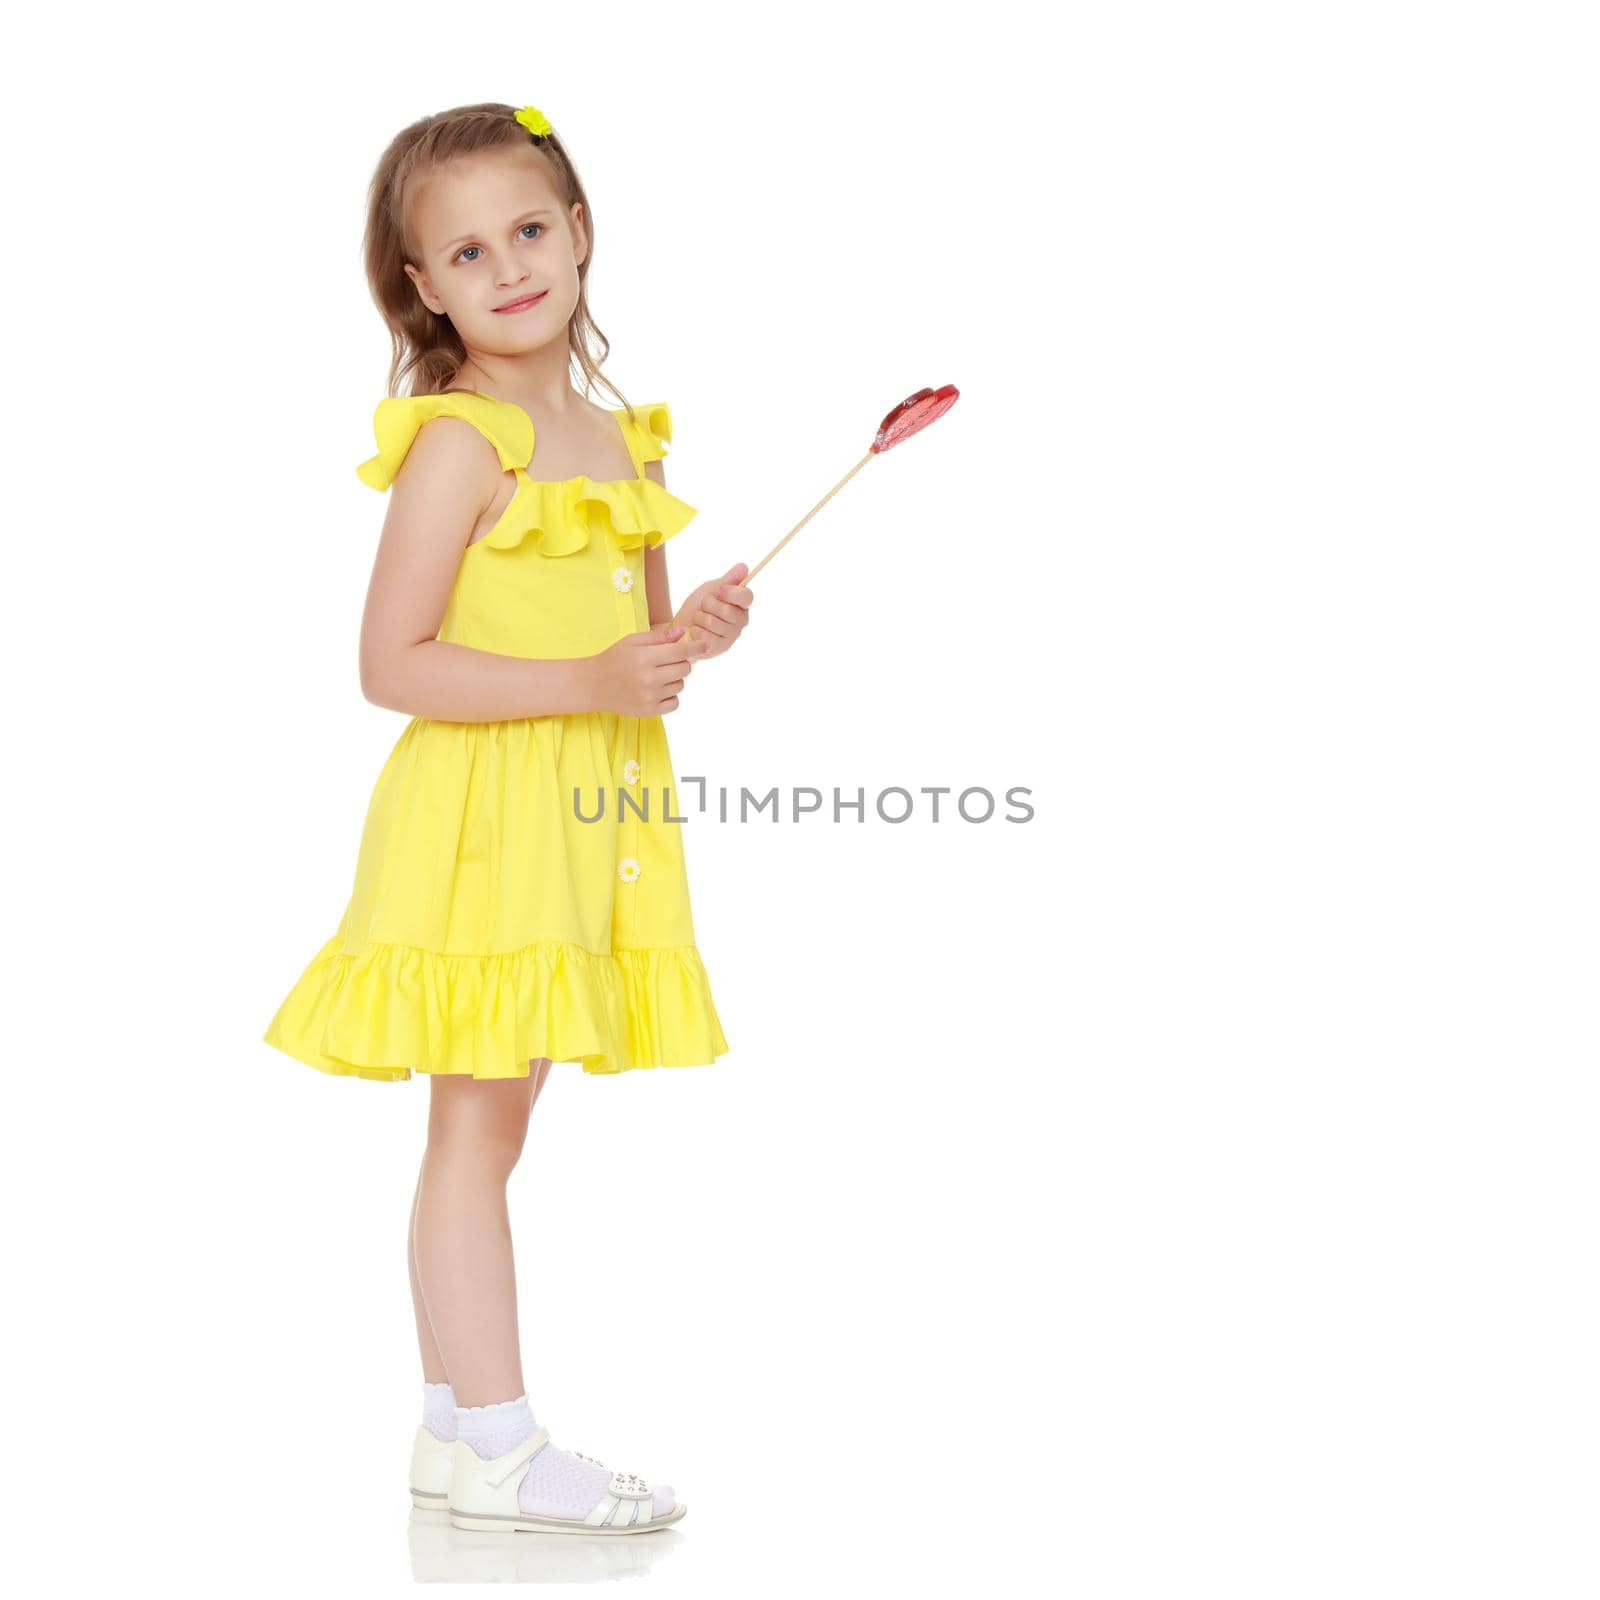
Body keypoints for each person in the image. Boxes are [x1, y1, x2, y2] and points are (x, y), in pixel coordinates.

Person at [261, 101, 753, 1535]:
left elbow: (634, 664)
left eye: (529, 229)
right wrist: (594, 671)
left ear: (581, 232)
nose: (510, 266)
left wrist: (693, 633)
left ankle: (444, 1428)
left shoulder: (623, 441)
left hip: (581, 813)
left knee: (494, 1128)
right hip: (481, 817)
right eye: (467, 250)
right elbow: (389, 664)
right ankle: (498, 1442)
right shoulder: (459, 447)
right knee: (474, 1134)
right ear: (424, 287)